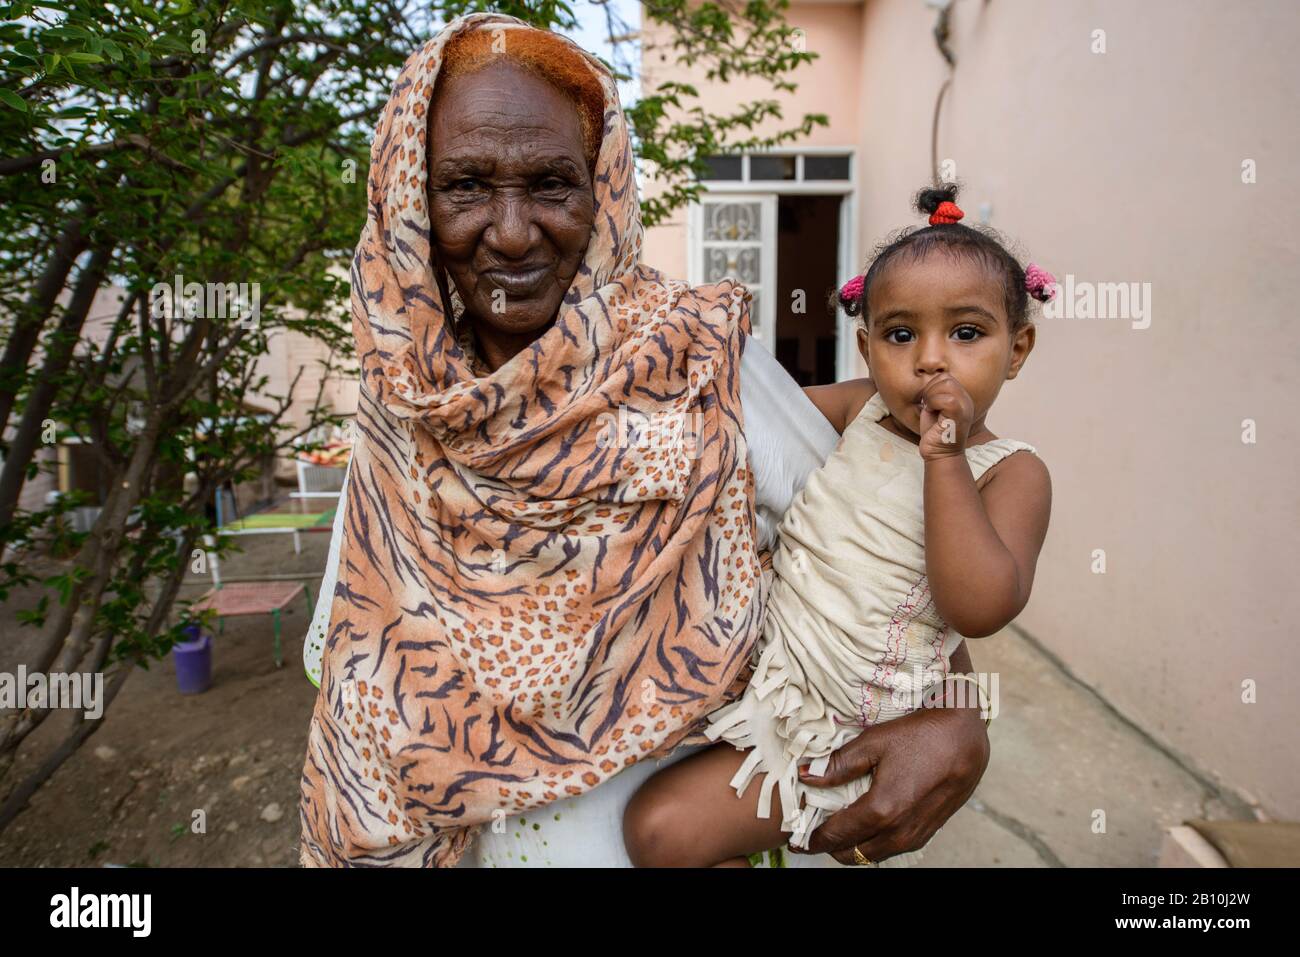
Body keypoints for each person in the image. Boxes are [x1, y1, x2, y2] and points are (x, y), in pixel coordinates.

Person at [299, 13, 992, 869]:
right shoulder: (404, 409)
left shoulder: (699, 362)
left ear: (605, 188)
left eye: (551, 183)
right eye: (467, 186)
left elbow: (878, 545)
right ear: (412, 201)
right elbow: (347, 659)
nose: (512, 231)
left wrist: (958, 707)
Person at [621, 185, 1054, 866]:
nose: (929, 359)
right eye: (901, 333)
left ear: (1019, 348)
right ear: (867, 344)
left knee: (659, 828)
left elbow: (979, 604)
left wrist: (944, 461)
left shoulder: (1011, 471)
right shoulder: (863, 409)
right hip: (762, 660)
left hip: (840, 721)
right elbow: (750, 422)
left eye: (966, 332)